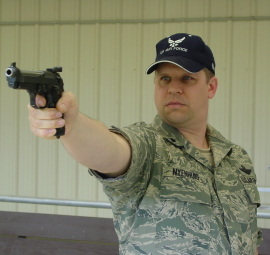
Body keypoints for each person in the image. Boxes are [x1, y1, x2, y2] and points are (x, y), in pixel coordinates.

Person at [28, 33, 262, 255]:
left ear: (211, 87)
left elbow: (249, 240)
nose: (173, 88)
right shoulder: (148, 145)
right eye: (164, 79)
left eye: (187, 78)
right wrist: (72, 123)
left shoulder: (236, 159)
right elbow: (111, 150)